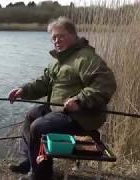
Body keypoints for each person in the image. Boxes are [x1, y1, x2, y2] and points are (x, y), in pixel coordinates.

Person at [8, 16, 117, 180]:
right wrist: (23, 90)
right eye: (54, 37)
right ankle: (31, 161)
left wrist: (79, 100)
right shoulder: (59, 60)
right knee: (32, 114)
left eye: (61, 36)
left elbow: (105, 85)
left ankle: (41, 175)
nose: (57, 40)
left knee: (39, 127)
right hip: (59, 110)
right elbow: (44, 82)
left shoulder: (85, 58)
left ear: (73, 35)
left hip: (81, 116)